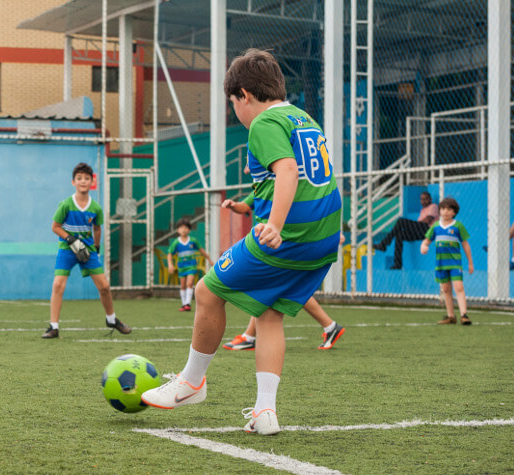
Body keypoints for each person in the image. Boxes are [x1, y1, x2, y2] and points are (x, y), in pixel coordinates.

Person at [142, 49, 341, 436]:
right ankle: (266, 412)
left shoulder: (264, 122)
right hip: (323, 239)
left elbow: (287, 170)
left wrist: (277, 224)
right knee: (268, 314)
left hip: (289, 237)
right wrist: (252, 206)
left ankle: (191, 382)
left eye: (233, 103)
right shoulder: (303, 118)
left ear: (244, 95)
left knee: (206, 291)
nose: (235, 111)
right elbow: (289, 178)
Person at [220, 195, 345, 351]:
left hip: (289, 245)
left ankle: (249, 337)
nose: (247, 170)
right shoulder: (262, 181)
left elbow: (315, 206)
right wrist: (233, 205)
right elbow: (244, 206)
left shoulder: (283, 179)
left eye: (247, 168)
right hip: (276, 245)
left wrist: (330, 234)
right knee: (284, 289)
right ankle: (330, 326)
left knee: (273, 287)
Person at [42, 162, 132, 339]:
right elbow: (55, 227)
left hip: (87, 251)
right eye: (79, 178)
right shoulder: (66, 204)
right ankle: (53, 327)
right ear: (73, 182)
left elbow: (97, 229)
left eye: (86, 178)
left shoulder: (96, 208)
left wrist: (96, 249)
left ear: (92, 182)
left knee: (104, 287)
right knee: (58, 285)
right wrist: (70, 239)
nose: (83, 181)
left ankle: (111, 319)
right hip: (67, 250)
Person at [420, 196, 474, 325]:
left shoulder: (458, 226)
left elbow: (465, 244)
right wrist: (424, 246)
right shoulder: (435, 227)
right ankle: (451, 316)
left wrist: (470, 263)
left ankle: (464, 315)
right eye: (443, 208)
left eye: (449, 209)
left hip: (455, 263)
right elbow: (427, 240)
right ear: (439, 210)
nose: (445, 212)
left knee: (458, 287)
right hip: (441, 264)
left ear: (454, 212)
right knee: (445, 288)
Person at [373, 191, 439, 269]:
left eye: (426, 199)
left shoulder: (433, 206)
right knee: (399, 235)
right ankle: (397, 264)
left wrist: (413, 224)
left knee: (401, 221)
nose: (423, 201)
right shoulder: (423, 210)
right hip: (420, 232)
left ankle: (384, 244)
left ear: (430, 199)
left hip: (428, 231)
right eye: (421, 199)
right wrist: (414, 225)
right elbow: (419, 223)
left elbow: (427, 220)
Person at [166, 218, 212, 312]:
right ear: (178, 230)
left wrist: (209, 260)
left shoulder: (193, 241)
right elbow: (170, 254)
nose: (183, 229)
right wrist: (170, 264)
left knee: (189, 283)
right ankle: (184, 304)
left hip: (191, 266)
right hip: (182, 267)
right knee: (183, 285)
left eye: (186, 227)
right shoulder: (176, 242)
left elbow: (201, 250)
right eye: (181, 227)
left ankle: (188, 304)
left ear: (189, 230)